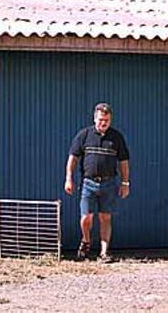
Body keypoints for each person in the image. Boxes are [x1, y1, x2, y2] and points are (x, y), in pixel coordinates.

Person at [64, 102, 130, 261]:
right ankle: (86, 241)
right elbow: (73, 157)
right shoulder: (84, 135)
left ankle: (104, 252)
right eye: (101, 119)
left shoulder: (116, 138)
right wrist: (68, 179)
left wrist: (125, 183)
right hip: (88, 183)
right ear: (95, 119)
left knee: (105, 217)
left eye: (106, 120)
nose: (103, 123)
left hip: (109, 183)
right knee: (86, 218)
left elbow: (123, 161)